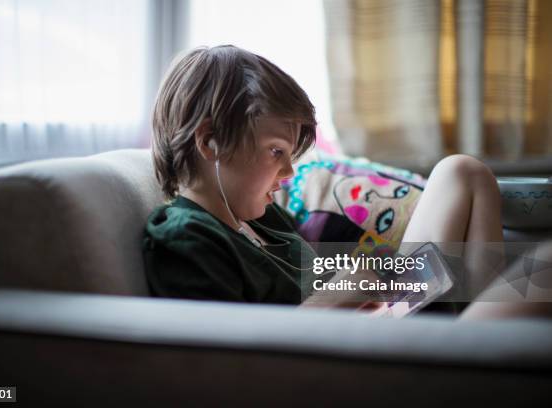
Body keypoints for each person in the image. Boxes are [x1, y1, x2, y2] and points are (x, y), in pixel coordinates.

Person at [142, 45, 551, 319]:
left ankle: (465, 339)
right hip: (353, 367)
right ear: (209, 141)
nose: (287, 174)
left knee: (462, 172)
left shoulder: (263, 219)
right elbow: (227, 369)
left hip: (383, 322)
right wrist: (337, 295)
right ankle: (470, 354)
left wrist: (368, 275)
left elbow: (322, 277)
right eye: (275, 151)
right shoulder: (185, 238)